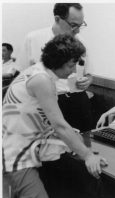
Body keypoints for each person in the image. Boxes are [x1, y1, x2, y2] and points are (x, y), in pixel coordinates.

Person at [2, 34, 107, 198]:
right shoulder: (42, 80)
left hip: (25, 143)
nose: (74, 71)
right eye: (72, 65)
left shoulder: (38, 70)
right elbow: (59, 125)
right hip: (15, 153)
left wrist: (78, 143)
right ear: (59, 61)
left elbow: (46, 121)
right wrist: (88, 155)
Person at [17, 3, 93, 132]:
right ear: (57, 19)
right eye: (74, 25)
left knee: (83, 141)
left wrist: (87, 81)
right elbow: (22, 75)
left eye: (81, 26)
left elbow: (89, 73)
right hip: (47, 101)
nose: (78, 31)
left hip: (77, 100)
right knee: (51, 146)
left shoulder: (81, 41)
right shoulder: (33, 39)